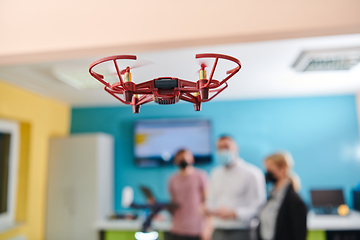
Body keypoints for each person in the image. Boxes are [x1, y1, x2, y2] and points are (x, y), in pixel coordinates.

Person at [205, 135, 266, 240]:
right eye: (219, 148)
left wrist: (234, 214)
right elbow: (211, 200)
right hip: (218, 230)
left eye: (226, 147)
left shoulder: (252, 173)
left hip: (243, 231)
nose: (223, 151)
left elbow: (259, 207)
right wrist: (208, 210)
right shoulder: (215, 173)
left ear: (236, 148)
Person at [258, 152, 307, 240]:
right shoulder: (272, 196)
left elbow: (299, 235)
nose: (267, 173)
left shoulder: (295, 201)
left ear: (283, 168)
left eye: (270, 169)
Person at [168, 149, 208, 240]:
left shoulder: (200, 176)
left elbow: (207, 202)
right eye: (180, 158)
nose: (183, 160)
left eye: (185, 158)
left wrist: (207, 229)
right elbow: (173, 201)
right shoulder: (172, 179)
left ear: (192, 159)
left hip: (196, 228)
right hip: (177, 228)